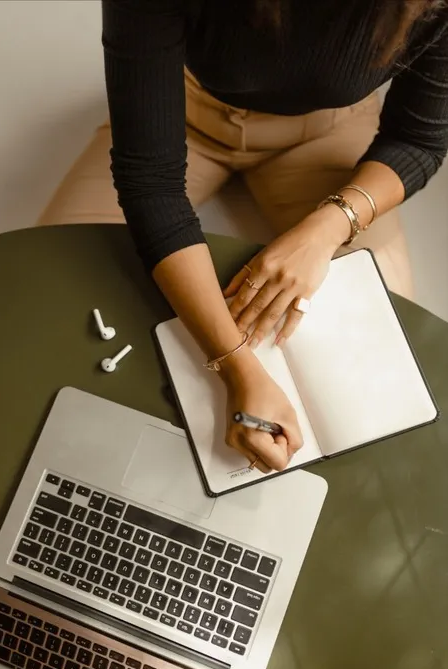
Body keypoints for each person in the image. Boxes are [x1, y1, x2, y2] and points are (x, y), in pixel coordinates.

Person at [39, 0, 448, 474]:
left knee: (382, 355)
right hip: (186, 112)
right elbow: (150, 179)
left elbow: (418, 140)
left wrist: (327, 228)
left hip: (328, 130)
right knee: (52, 290)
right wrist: (236, 366)